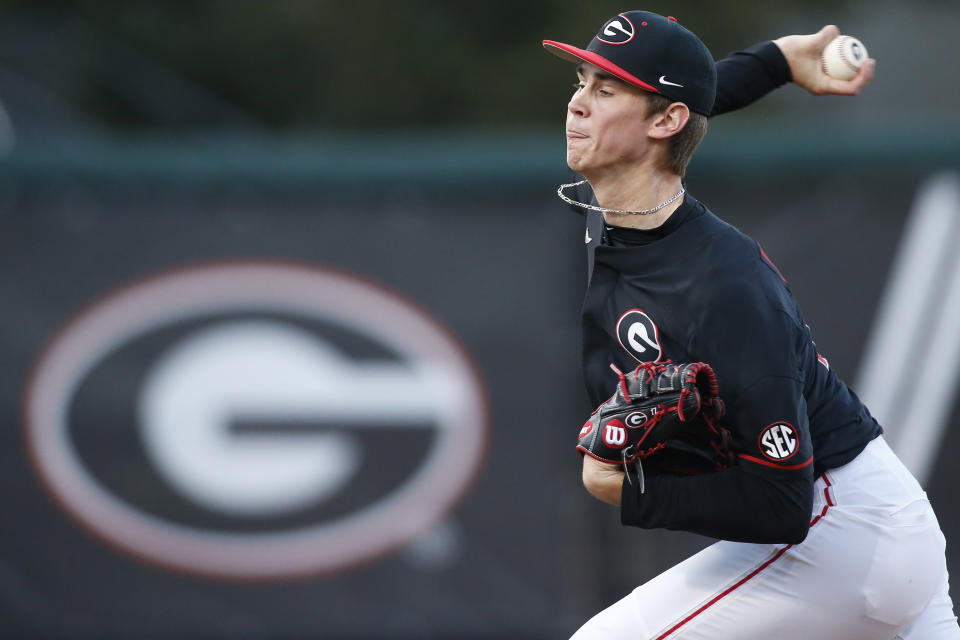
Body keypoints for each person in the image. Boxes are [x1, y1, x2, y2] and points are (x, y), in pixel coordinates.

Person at [542, 10, 960, 639]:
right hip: (879, 525)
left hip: (840, 528)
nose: (577, 105)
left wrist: (629, 492)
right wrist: (776, 64)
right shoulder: (635, 195)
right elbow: (687, 99)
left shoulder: (726, 289)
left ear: (664, 122)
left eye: (604, 90)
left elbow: (781, 504)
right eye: (581, 81)